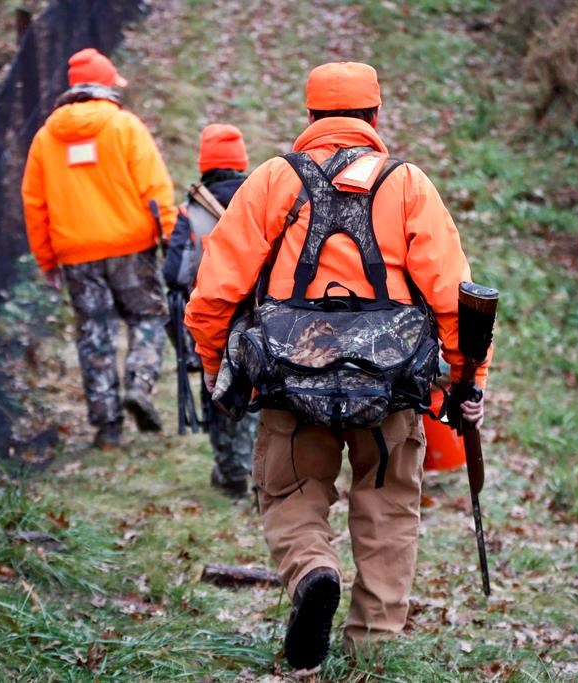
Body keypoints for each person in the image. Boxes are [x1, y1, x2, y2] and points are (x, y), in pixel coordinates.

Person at [184, 62, 488, 670]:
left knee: (291, 494)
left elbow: (214, 293)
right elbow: (457, 299)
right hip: (391, 387)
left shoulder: (273, 180)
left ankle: (312, 573)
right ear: (375, 117)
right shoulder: (408, 185)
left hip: (290, 384)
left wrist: (220, 370)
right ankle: (374, 649)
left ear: (311, 118)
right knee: (389, 509)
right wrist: (465, 381)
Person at [21, 48, 176, 449]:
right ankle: (139, 385)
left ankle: (108, 428)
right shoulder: (125, 126)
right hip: (131, 246)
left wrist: (47, 259)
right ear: (106, 86)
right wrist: (170, 238)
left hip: (76, 254)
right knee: (147, 317)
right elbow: (156, 189)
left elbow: (34, 205)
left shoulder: (45, 138)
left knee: (94, 333)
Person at [162, 123, 259, 497]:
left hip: (214, 320)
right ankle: (261, 473)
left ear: (205, 162)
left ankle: (231, 472)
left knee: (217, 391)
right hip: (261, 319)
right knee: (260, 395)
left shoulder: (190, 213)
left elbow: (174, 274)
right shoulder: (261, 201)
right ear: (241, 161)